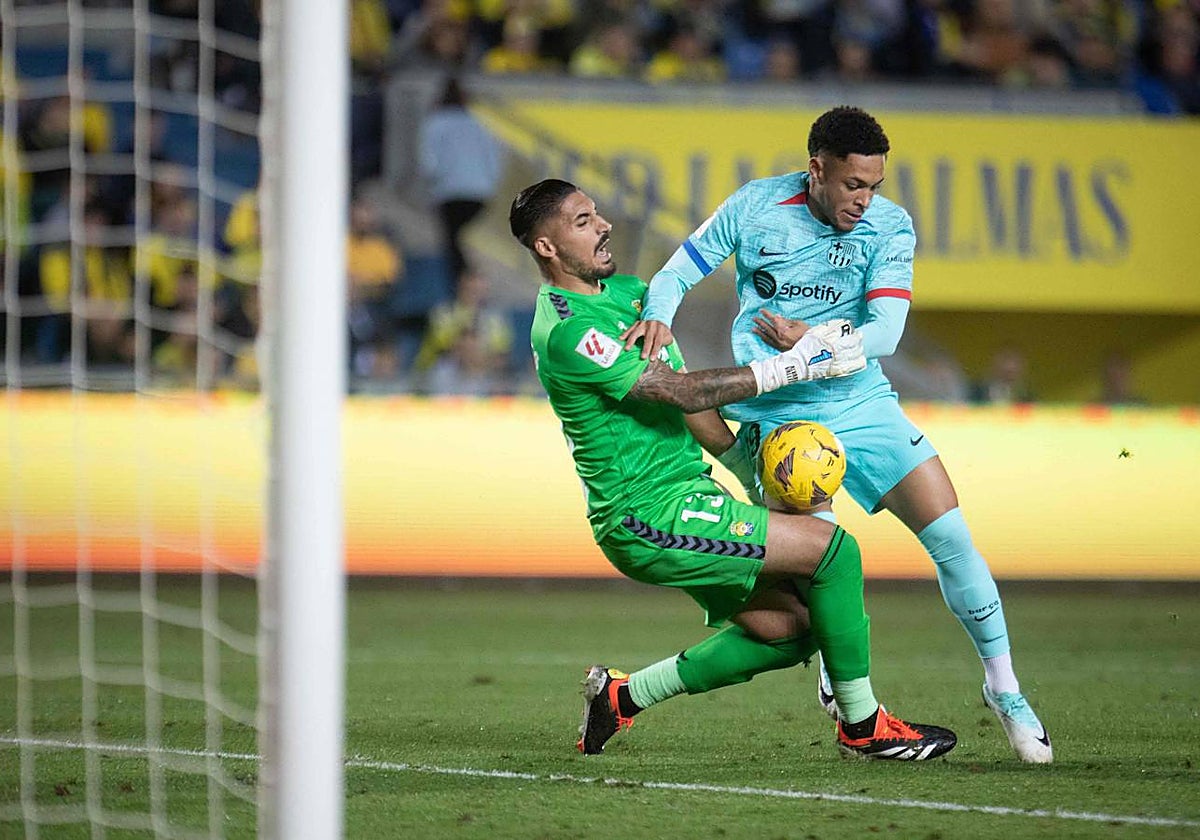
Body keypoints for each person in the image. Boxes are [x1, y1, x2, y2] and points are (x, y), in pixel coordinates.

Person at [623, 106, 1052, 763]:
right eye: (853, 184)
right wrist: (658, 316)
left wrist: (814, 341)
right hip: (782, 417)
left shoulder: (890, 225)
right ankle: (851, 701)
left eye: (874, 185)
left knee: (953, 539)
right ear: (816, 169)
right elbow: (677, 270)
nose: (864, 199)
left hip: (862, 402)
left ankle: (1005, 689)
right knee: (821, 564)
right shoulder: (756, 206)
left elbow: (887, 333)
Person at [510, 178, 957, 761]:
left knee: (794, 629)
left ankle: (621, 697)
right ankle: (863, 725)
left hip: (687, 495)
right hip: (643, 515)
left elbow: (690, 405)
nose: (604, 225)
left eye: (596, 213)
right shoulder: (567, 330)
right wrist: (789, 367)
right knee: (833, 553)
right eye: (582, 221)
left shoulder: (631, 294)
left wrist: (746, 469)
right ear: (546, 247)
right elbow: (675, 391)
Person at [418, 77, 504, 289]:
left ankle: (461, 284)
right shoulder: (481, 123)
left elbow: (429, 160)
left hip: (450, 190)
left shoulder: (436, 122)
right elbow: (495, 158)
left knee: (452, 240)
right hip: (481, 191)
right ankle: (471, 280)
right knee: (463, 238)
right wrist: (489, 183)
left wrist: (433, 180)